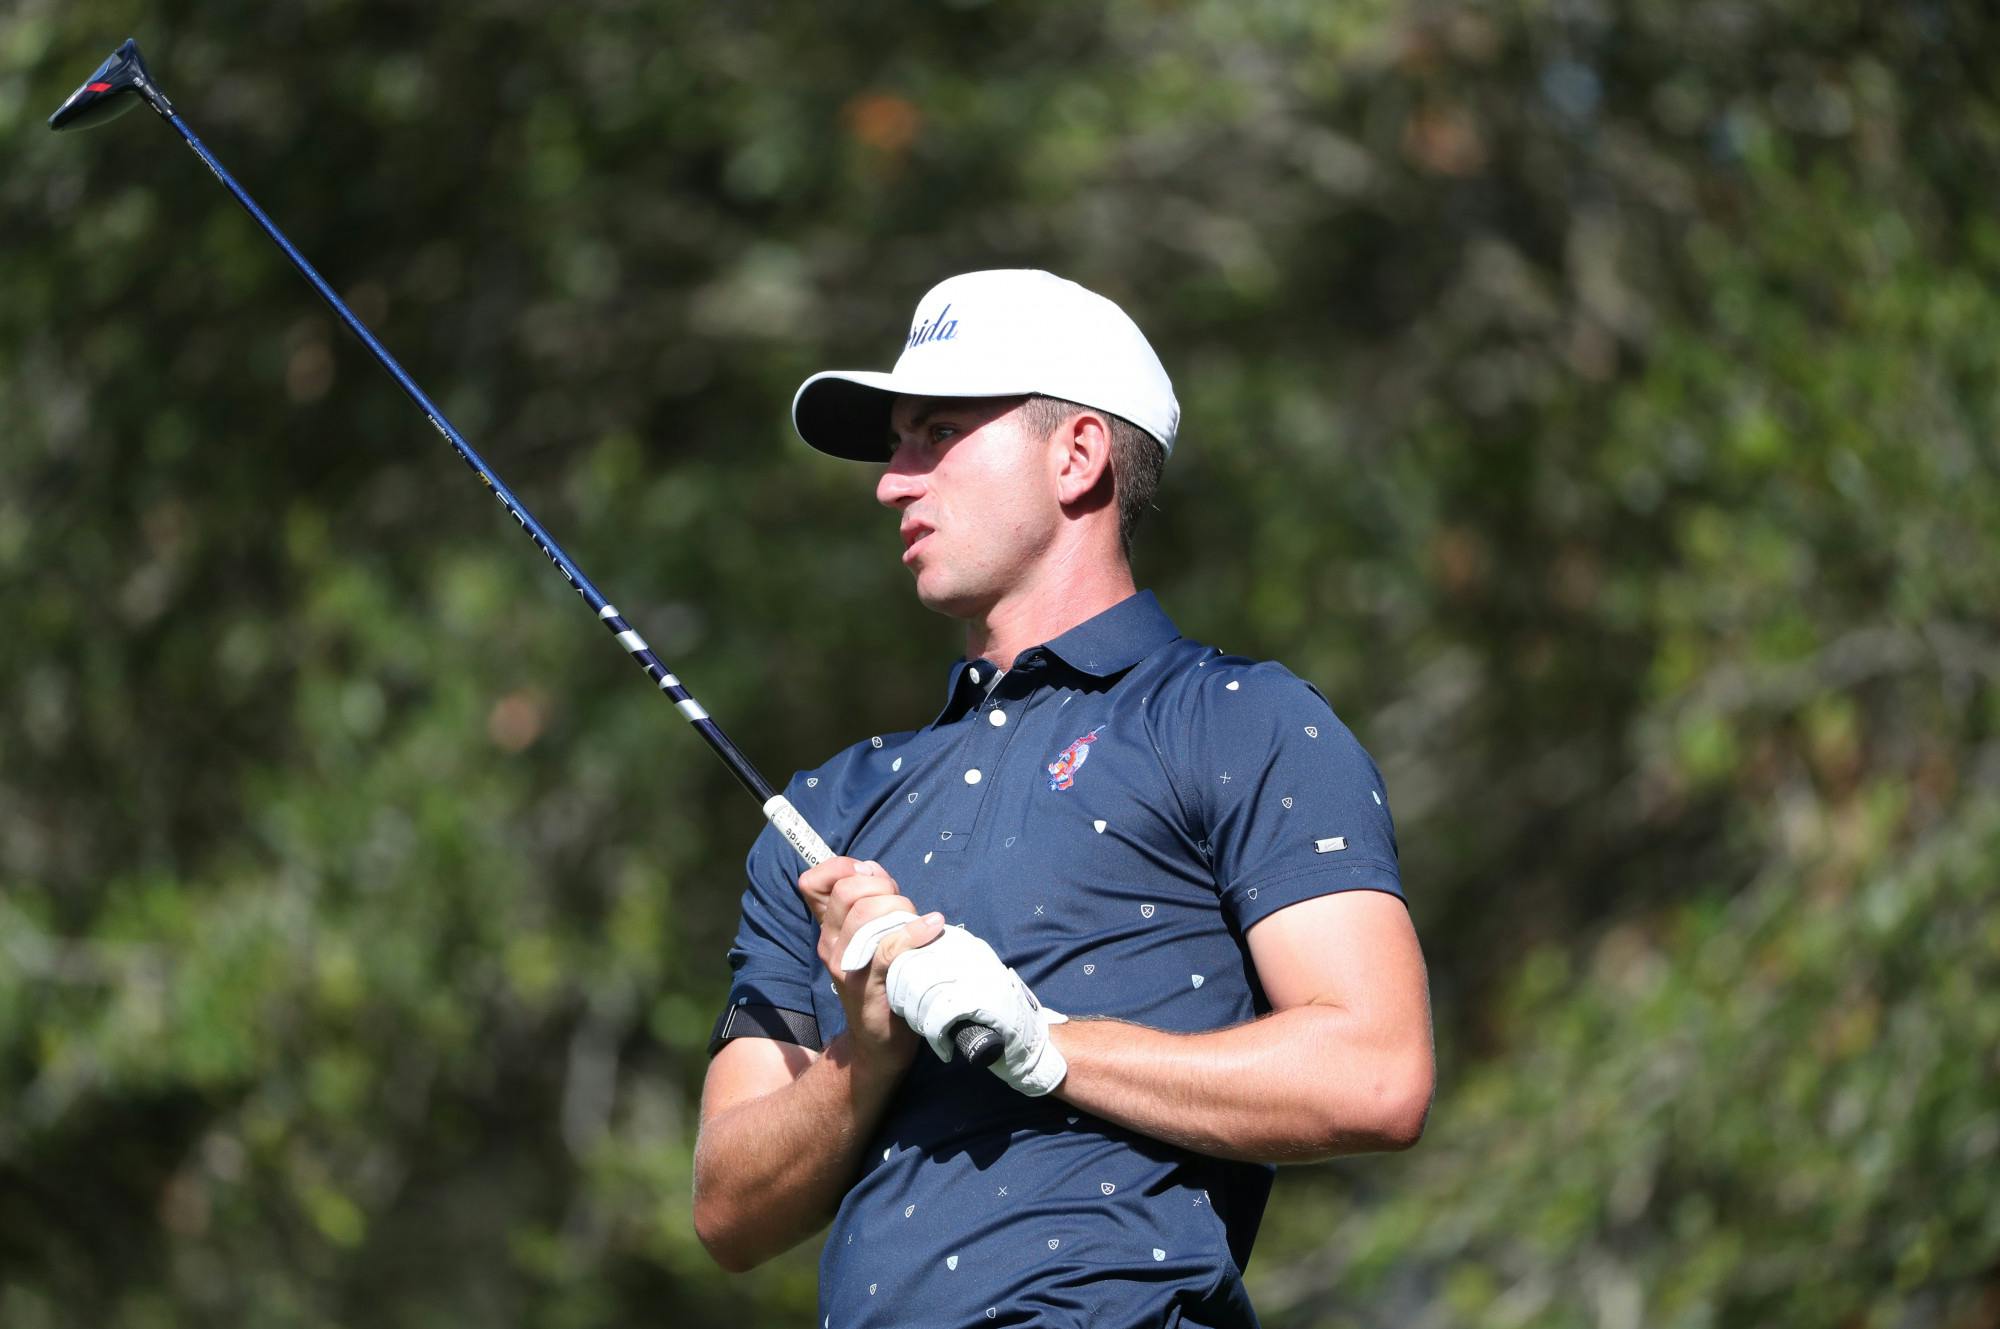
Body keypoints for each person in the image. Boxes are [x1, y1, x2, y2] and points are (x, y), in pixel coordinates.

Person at [692, 269, 1433, 1328]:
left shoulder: (1240, 721)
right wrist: (866, 1053)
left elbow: (1375, 1072)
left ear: (1075, 456)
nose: (889, 485)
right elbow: (727, 1211)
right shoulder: (830, 811)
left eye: (934, 435)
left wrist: (1038, 1041)